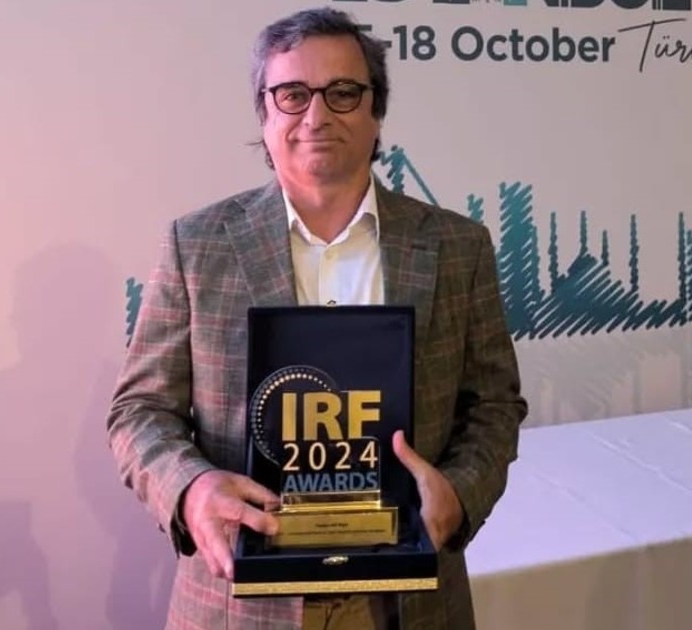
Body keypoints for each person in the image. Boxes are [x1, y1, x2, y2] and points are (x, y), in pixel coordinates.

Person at [106, 6, 527, 630]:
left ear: (376, 109)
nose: (317, 116)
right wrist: (191, 489)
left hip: (409, 602)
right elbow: (139, 411)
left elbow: (494, 405)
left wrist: (461, 493)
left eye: (343, 92)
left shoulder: (457, 247)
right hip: (240, 606)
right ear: (265, 112)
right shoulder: (197, 246)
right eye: (293, 94)